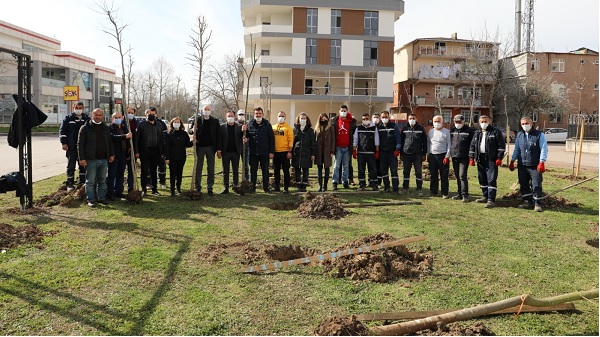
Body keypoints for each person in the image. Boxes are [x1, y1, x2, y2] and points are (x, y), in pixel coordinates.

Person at [509, 116, 548, 212]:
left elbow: (544, 148)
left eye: (526, 123)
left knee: (536, 184)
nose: (524, 125)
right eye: (522, 124)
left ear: (531, 124)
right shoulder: (520, 135)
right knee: (524, 184)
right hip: (522, 164)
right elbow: (517, 148)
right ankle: (527, 201)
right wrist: (512, 160)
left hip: (534, 165)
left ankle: (537, 203)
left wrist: (542, 162)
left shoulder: (539, 135)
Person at [77, 108, 115, 207]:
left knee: (102, 180)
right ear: (91, 115)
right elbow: (80, 145)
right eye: (96, 115)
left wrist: (111, 154)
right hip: (90, 160)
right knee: (90, 181)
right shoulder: (85, 128)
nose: (98, 117)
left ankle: (102, 198)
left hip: (103, 159)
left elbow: (110, 142)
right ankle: (91, 200)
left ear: (102, 116)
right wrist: (82, 158)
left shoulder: (106, 128)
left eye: (99, 115)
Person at [469, 115, 506, 208]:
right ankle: (485, 196)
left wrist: (499, 158)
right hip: (480, 158)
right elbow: (472, 145)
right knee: (482, 178)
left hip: (491, 159)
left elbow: (501, 146)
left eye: (485, 121)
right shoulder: (477, 132)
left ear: (489, 121)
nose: (483, 123)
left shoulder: (495, 132)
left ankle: (491, 200)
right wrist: (471, 158)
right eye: (481, 121)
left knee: (491, 179)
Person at [190, 105, 222, 196]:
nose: (207, 111)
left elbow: (218, 135)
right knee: (198, 167)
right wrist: (192, 130)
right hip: (200, 147)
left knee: (211, 168)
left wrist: (218, 149)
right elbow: (190, 130)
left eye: (208, 110)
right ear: (202, 110)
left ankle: (210, 187)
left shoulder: (215, 121)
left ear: (211, 111)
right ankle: (198, 187)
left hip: (211, 148)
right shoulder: (197, 120)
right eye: (205, 110)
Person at [59, 101, 89, 192]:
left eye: (80, 108)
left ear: (83, 108)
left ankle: (82, 182)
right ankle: (70, 183)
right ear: (73, 107)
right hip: (72, 147)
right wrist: (64, 143)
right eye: (77, 107)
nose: (78, 109)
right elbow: (62, 131)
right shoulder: (68, 118)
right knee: (71, 166)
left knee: (83, 165)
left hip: (83, 147)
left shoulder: (87, 119)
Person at [135, 107, 165, 196]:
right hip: (145, 151)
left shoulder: (159, 125)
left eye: (153, 114)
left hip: (156, 151)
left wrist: (162, 151)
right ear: (146, 115)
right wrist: (137, 151)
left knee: (153, 170)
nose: (151, 115)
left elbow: (161, 139)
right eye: (149, 114)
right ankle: (144, 189)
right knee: (144, 170)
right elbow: (137, 139)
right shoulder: (141, 125)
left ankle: (154, 189)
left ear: (156, 115)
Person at [245, 107, 275, 193]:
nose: (258, 115)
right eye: (256, 113)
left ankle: (266, 188)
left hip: (264, 153)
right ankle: (252, 187)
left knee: (265, 171)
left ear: (262, 114)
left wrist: (271, 152)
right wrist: (244, 135)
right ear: (254, 114)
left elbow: (271, 139)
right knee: (253, 171)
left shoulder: (267, 125)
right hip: (253, 152)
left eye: (259, 113)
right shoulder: (249, 124)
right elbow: (246, 136)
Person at [400, 113, 427, 196]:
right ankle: (405, 188)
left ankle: (419, 189)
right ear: (408, 119)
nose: (412, 120)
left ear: (416, 119)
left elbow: (425, 142)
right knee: (406, 172)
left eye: (413, 118)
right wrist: (401, 153)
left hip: (418, 154)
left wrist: (424, 154)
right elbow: (401, 141)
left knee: (418, 172)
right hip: (406, 153)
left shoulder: (421, 129)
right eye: (410, 118)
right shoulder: (404, 128)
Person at [164, 117, 193, 196]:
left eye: (178, 122)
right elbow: (166, 147)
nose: (176, 123)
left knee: (180, 173)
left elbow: (188, 144)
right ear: (172, 123)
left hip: (181, 156)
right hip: (172, 157)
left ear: (180, 124)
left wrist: (193, 141)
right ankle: (172, 190)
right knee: (172, 173)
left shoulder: (184, 133)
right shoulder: (169, 134)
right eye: (175, 122)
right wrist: (167, 158)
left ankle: (178, 188)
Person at [331, 104, 356, 191]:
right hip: (338, 147)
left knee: (346, 166)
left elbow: (354, 133)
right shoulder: (335, 121)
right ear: (339, 111)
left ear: (347, 111)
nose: (343, 112)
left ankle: (345, 181)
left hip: (347, 147)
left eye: (345, 111)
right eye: (341, 110)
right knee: (336, 166)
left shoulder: (351, 122)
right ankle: (335, 182)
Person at [107, 112, 132, 200]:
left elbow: (128, 141)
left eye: (119, 117)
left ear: (122, 118)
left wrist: (128, 153)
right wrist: (125, 136)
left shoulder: (125, 127)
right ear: (112, 118)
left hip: (123, 154)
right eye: (115, 117)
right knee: (112, 175)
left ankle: (119, 192)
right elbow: (112, 138)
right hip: (114, 155)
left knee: (120, 174)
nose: (117, 119)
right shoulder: (110, 128)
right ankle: (110, 193)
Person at [449, 114, 474, 202]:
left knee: (462, 175)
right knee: (457, 176)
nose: (458, 123)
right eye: (456, 122)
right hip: (455, 156)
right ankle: (459, 193)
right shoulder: (452, 130)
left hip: (464, 157)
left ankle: (465, 195)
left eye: (460, 122)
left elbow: (472, 144)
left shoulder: (469, 131)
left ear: (463, 121)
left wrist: (471, 157)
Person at [353, 113, 380, 191]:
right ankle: (362, 184)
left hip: (371, 153)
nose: (365, 120)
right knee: (361, 170)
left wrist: (377, 151)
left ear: (369, 119)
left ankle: (374, 184)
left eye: (367, 119)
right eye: (364, 119)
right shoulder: (358, 128)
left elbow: (376, 140)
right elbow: (355, 140)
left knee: (373, 169)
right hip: (361, 152)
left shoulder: (374, 129)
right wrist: (354, 150)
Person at [376, 111, 402, 193]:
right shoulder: (379, 127)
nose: (384, 118)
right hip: (382, 152)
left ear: (389, 117)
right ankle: (386, 187)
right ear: (381, 118)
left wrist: (397, 149)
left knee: (394, 171)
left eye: (386, 117)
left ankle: (395, 188)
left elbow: (398, 138)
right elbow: (377, 140)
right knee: (384, 171)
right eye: (383, 117)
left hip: (392, 152)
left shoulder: (394, 126)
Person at [219, 111, 243, 194]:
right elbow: (220, 140)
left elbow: (243, 137)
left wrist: (244, 131)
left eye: (232, 116)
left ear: (235, 117)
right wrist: (219, 150)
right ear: (226, 117)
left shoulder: (239, 127)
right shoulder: (222, 127)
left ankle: (235, 186)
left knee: (235, 170)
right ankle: (226, 187)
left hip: (236, 152)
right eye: (228, 116)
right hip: (226, 152)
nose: (230, 117)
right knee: (226, 170)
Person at [427, 115, 451, 198]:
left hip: (443, 155)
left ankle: (445, 192)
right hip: (433, 155)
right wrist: (428, 154)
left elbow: (449, 145)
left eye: (438, 121)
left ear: (442, 122)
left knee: (444, 175)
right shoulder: (430, 132)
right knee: (433, 174)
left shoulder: (446, 132)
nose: (437, 123)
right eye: (435, 121)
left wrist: (447, 156)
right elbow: (428, 144)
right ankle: (433, 191)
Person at [292, 113, 316, 192]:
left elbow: (313, 143)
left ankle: (304, 185)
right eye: (301, 118)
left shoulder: (310, 130)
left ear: (307, 119)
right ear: (298, 119)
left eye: (304, 118)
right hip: (297, 153)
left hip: (307, 152)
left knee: (305, 169)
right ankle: (298, 185)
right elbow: (292, 142)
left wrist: (313, 154)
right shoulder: (295, 129)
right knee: (297, 169)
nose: (302, 120)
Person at [272, 111, 294, 193]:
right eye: (279, 116)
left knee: (285, 171)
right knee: (276, 170)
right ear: (277, 117)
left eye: (282, 116)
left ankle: (286, 188)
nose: (281, 117)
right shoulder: (273, 127)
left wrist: (289, 151)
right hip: (275, 152)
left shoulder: (288, 128)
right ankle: (277, 187)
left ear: (285, 117)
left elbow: (290, 140)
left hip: (285, 152)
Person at [314, 112, 335, 192]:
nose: (323, 120)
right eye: (322, 119)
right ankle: (320, 185)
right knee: (319, 169)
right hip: (319, 152)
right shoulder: (317, 128)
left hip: (327, 151)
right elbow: (314, 140)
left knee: (327, 168)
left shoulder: (330, 128)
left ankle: (325, 186)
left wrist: (332, 150)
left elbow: (333, 140)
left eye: (325, 118)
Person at [125, 107, 139, 193]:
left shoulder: (137, 123)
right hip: (123, 150)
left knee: (131, 170)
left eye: (131, 112)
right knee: (119, 171)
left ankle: (131, 188)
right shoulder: (122, 121)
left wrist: (136, 151)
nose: (130, 114)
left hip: (133, 150)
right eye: (128, 112)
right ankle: (117, 189)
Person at [237, 109, 250, 181]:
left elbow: (250, 135)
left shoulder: (248, 124)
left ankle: (247, 179)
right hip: (237, 147)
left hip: (245, 147)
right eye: (240, 115)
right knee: (235, 165)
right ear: (237, 115)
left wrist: (247, 138)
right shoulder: (235, 124)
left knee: (245, 165)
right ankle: (235, 180)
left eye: (242, 115)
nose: (241, 116)